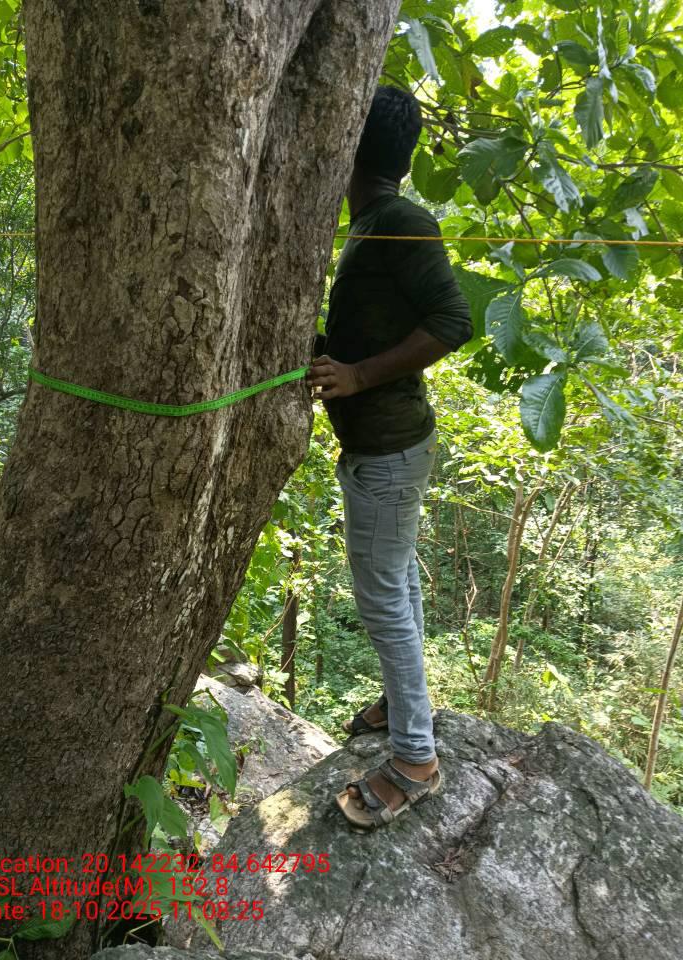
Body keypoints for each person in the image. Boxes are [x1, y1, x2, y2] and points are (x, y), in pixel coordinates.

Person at [306, 85, 472, 831]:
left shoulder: (402, 221)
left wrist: (356, 376)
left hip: (388, 448)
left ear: (348, 142)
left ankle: (414, 759)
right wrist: (330, 353)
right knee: (397, 580)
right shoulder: (372, 221)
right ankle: (409, 708)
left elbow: (454, 320)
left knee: (382, 599)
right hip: (386, 445)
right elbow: (374, 321)